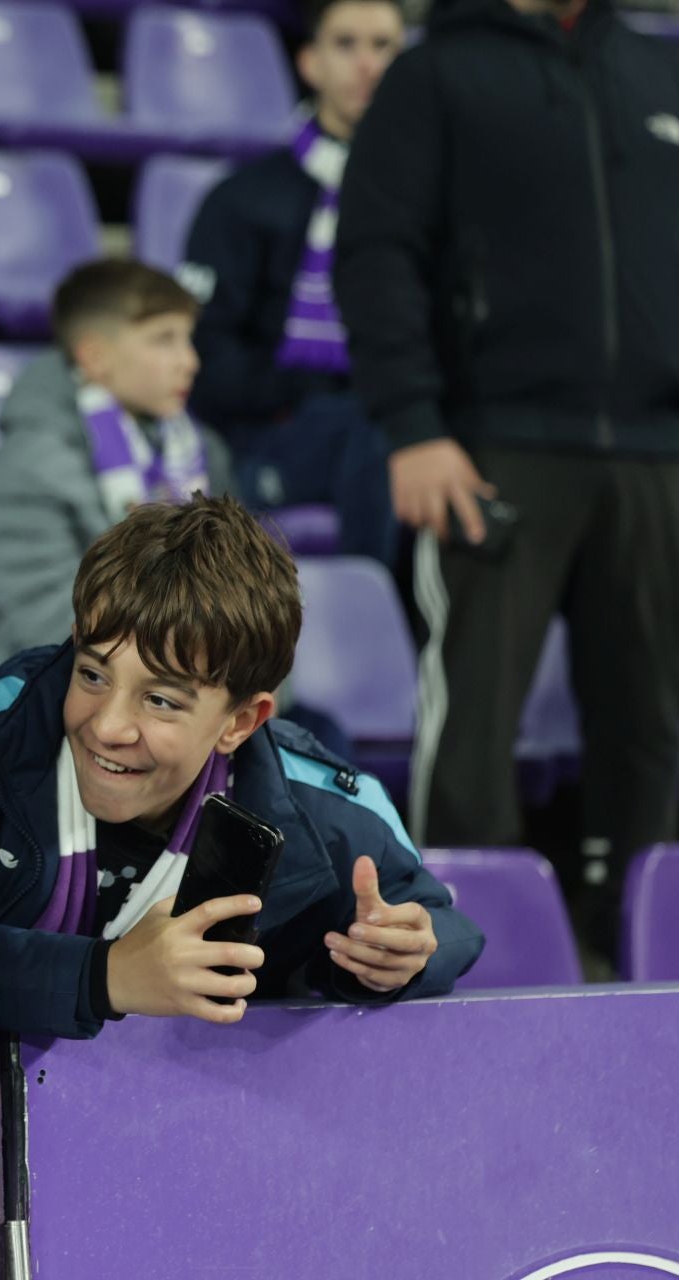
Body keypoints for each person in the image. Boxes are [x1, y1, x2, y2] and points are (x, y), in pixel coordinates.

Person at [334, 0, 679, 944]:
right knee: (477, 718)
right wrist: (413, 426)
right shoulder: (434, 73)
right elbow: (374, 254)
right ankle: (452, 943)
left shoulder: (657, 71)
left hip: (658, 451)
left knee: (658, 720)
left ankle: (638, 944)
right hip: (494, 442)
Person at [0, 497, 482, 1039]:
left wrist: (405, 956)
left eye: (160, 700)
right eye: (93, 674)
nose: (109, 727)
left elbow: (447, 926)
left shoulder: (318, 810)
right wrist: (105, 976)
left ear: (241, 721)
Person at [180, 0, 405, 567]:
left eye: (384, 47)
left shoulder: (430, 197)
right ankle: (384, 629)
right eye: (347, 44)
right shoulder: (244, 197)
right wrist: (292, 388)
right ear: (310, 63)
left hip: (397, 418)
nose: (367, 65)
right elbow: (203, 354)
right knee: (372, 429)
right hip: (270, 437)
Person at [0, 258, 230, 690]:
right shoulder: (22, 473)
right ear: (94, 356)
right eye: (163, 340)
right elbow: (56, 630)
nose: (189, 361)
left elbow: (245, 593)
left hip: (176, 687)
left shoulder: (200, 452)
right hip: (35, 707)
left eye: (188, 339)